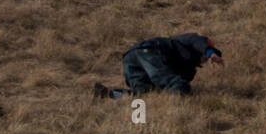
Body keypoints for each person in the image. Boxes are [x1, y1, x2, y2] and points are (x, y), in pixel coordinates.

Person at [94, 34, 223, 98]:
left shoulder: (188, 68)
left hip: (129, 59)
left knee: (142, 93)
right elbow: (198, 41)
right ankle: (179, 109)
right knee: (176, 85)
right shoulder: (190, 40)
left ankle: (109, 94)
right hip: (148, 52)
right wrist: (211, 52)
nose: (206, 60)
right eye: (205, 56)